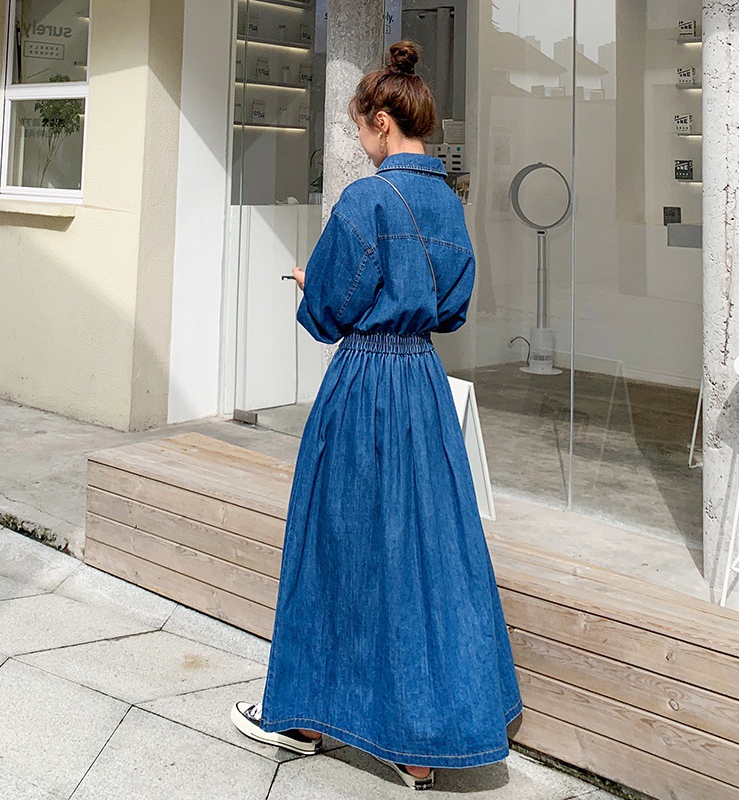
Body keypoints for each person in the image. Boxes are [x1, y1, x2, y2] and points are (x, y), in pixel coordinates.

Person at [230, 40, 522, 791]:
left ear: (382, 122)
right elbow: (452, 308)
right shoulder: (449, 204)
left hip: (364, 382)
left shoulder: (366, 200)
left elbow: (330, 311)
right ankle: (421, 743)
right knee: (424, 550)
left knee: (336, 542)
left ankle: (301, 718)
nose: (361, 142)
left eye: (361, 128)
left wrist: (308, 283)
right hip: (421, 381)